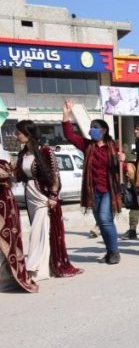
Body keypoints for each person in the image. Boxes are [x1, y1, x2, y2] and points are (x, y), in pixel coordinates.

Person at [14, 120, 82, 280]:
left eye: (19, 133)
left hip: (43, 197)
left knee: (38, 232)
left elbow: (55, 175)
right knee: (42, 232)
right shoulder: (23, 154)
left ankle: (32, 268)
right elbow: (20, 177)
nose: (16, 136)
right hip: (30, 196)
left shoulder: (45, 151)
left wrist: (53, 196)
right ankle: (44, 269)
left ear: (28, 133)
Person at [62, 100, 123, 264]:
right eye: (91, 127)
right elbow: (70, 135)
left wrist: (122, 160)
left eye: (95, 127)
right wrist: (67, 114)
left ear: (104, 130)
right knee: (102, 223)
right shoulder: (88, 146)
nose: (92, 130)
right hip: (93, 190)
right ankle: (110, 252)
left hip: (108, 190)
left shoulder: (113, 147)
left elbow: (122, 169)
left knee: (104, 219)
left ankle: (115, 252)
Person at [0, 149, 38, 292]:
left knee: (8, 240)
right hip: (5, 202)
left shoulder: (4, 156)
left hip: (5, 203)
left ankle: (6, 279)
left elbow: (10, 179)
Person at [122, 120, 139, 240]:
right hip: (136, 179)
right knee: (134, 204)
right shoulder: (138, 142)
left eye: (138, 129)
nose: (135, 131)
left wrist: (128, 157)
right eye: (135, 128)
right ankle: (132, 230)